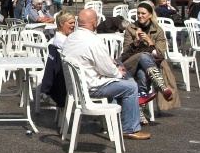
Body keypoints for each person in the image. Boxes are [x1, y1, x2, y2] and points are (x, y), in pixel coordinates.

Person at [63, 8, 149, 140]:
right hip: (91, 87)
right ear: (94, 23)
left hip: (76, 85)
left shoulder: (71, 38)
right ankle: (129, 127)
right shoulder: (93, 41)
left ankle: (119, 118)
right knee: (131, 87)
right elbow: (106, 69)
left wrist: (114, 67)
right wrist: (118, 72)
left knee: (119, 67)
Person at [121, 1, 180, 120]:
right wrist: (135, 43)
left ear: (150, 15)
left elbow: (159, 55)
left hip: (152, 65)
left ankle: (140, 111)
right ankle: (161, 86)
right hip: (132, 63)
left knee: (143, 74)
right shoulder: (131, 29)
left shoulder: (157, 30)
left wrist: (150, 41)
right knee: (142, 56)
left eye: (143, 13)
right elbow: (125, 54)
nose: (140, 16)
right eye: (138, 13)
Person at [36, 10, 76, 109]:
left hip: (61, 80)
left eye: (74, 23)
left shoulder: (56, 39)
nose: (73, 25)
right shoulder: (63, 42)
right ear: (61, 23)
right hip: (66, 83)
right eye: (70, 23)